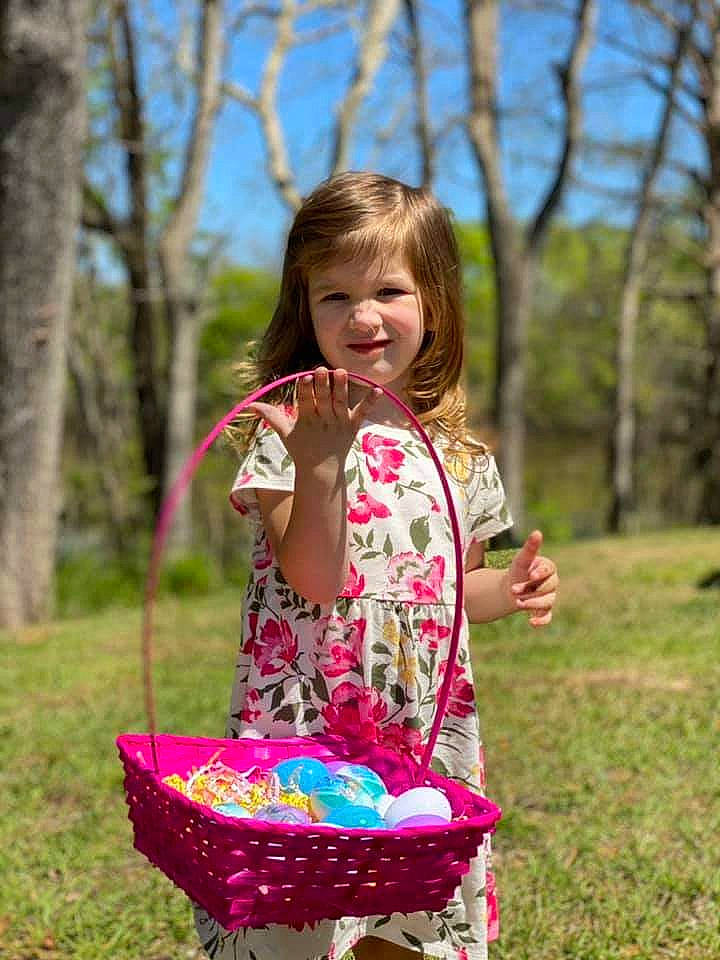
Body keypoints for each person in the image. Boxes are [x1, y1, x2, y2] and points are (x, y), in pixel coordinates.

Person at [194, 171, 559, 960]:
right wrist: (321, 463)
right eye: (334, 296)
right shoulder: (288, 436)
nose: (363, 316)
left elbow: (456, 592)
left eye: (389, 289)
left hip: (419, 732)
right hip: (307, 731)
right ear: (305, 308)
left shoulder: (461, 458)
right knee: (300, 921)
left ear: (433, 303)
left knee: (406, 928)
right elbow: (314, 580)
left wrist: (513, 586)